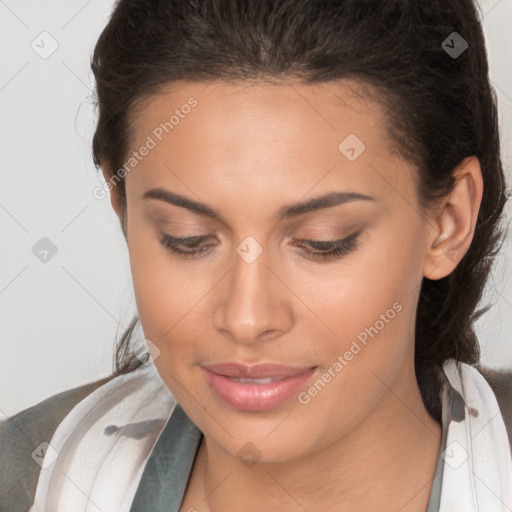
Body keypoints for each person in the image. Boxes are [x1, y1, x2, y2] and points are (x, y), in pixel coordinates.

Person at [1, 0, 512, 511]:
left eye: (322, 242)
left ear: (448, 221)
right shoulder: (24, 482)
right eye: (187, 238)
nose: (247, 319)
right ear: (125, 207)